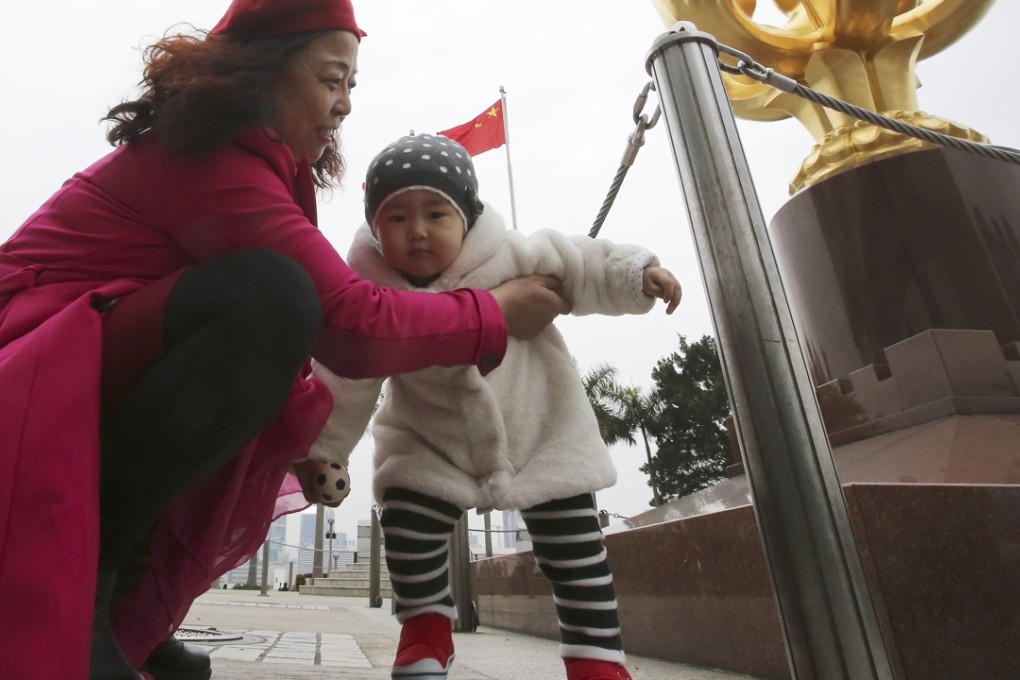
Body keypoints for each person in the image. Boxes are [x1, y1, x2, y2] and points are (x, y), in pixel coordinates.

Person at [0, 2, 570, 679]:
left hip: (92, 354)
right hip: (29, 361)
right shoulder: (213, 158)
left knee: (269, 346)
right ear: (262, 69)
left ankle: (133, 608)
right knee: (270, 301)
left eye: (353, 85)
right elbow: (352, 324)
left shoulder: (256, 161)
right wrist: (492, 313)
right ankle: (89, 588)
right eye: (333, 79)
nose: (346, 105)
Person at [308, 133, 682, 680]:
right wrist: (327, 450)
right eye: (396, 218)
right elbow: (347, 373)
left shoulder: (511, 255)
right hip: (429, 439)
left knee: (575, 552)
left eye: (436, 213)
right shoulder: (371, 289)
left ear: (467, 216)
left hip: (541, 428)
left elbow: (580, 261)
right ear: (374, 227)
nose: (417, 231)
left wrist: (633, 274)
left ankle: (595, 658)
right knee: (408, 525)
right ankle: (425, 629)